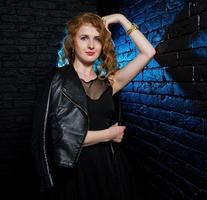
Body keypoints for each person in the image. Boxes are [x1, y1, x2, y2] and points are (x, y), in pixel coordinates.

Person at [31, 12, 155, 200]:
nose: (91, 45)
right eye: (84, 38)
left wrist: (120, 18)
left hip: (109, 165)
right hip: (75, 170)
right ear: (73, 42)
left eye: (97, 39)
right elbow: (59, 138)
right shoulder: (57, 81)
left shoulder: (110, 82)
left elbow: (148, 52)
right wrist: (109, 134)